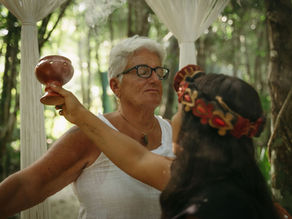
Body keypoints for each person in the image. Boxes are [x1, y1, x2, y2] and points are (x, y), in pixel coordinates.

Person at [48, 64, 287, 219]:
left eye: (181, 110)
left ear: (193, 129)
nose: (173, 117)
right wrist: (79, 114)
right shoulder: (236, 182)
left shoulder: (203, 210)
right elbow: (136, 158)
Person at [0, 35, 174, 219]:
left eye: (158, 71)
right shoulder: (87, 136)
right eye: (143, 71)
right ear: (115, 86)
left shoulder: (175, 133)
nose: (155, 79)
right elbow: (26, 186)